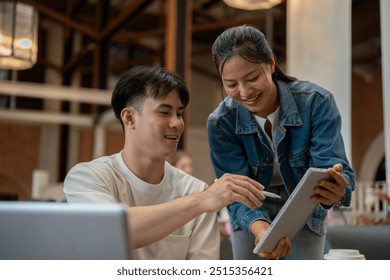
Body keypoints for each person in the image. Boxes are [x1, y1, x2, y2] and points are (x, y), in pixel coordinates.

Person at [64, 65, 266, 260]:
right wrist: (202, 201)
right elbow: (110, 231)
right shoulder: (87, 178)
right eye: (164, 112)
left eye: (179, 113)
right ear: (130, 118)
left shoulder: (194, 189)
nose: (177, 123)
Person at [206, 25, 355, 260]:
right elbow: (236, 190)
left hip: (303, 210)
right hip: (249, 214)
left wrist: (337, 189)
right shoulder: (220, 123)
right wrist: (260, 229)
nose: (244, 92)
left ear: (271, 64)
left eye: (252, 78)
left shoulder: (316, 102)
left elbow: (334, 167)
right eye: (231, 84)